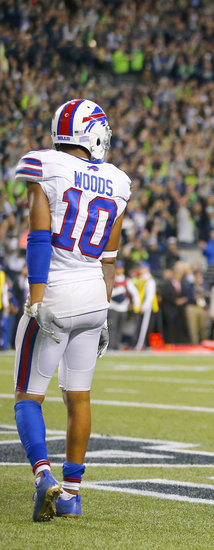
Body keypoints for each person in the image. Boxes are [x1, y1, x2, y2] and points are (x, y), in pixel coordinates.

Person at [13, 98, 131, 521]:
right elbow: (110, 256)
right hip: (94, 298)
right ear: (95, 135)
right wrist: (104, 309)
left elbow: (39, 236)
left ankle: (45, 476)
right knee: (78, 398)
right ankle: (73, 495)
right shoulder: (118, 181)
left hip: (57, 295)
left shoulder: (46, 164)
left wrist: (38, 298)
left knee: (28, 396)